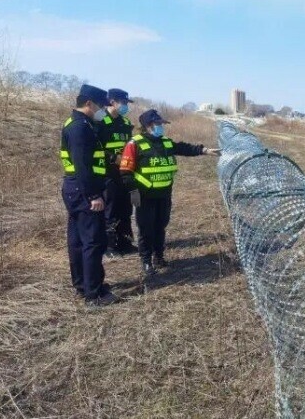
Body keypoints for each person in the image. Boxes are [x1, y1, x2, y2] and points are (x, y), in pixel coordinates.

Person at [119, 109, 221, 275]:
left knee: (160, 227)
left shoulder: (165, 142)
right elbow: (125, 172)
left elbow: (183, 148)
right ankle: (146, 262)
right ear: (148, 126)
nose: (161, 127)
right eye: (158, 124)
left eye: (162, 124)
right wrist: (134, 192)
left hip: (164, 195)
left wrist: (204, 150)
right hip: (144, 196)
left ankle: (159, 257)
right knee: (146, 229)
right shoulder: (134, 144)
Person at [60, 84, 119, 306]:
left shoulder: (80, 123)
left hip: (75, 188)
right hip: (83, 189)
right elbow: (83, 165)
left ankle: (83, 285)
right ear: (89, 104)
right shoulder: (80, 128)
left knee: (77, 240)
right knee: (93, 241)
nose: (103, 110)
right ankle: (94, 294)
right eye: (101, 106)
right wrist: (94, 195)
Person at [95, 88, 136, 259]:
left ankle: (125, 242)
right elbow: (94, 148)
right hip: (107, 172)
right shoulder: (99, 121)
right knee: (110, 209)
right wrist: (113, 158)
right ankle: (110, 246)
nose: (126, 106)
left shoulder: (125, 123)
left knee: (125, 207)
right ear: (112, 102)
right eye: (124, 103)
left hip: (124, 171)